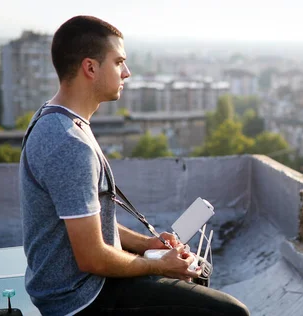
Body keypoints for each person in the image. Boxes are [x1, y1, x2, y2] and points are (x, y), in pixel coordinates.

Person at [19, 15, 250, 316]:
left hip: (81, 288)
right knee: (231, 313)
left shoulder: (57, 120)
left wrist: (149, 244)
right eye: (118, 62)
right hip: (82, 301)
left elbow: (90, 222)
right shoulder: (67, 142)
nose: (126, 73)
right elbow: (91, 257)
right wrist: (156, 264)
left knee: (198, 270)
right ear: (90, 68)